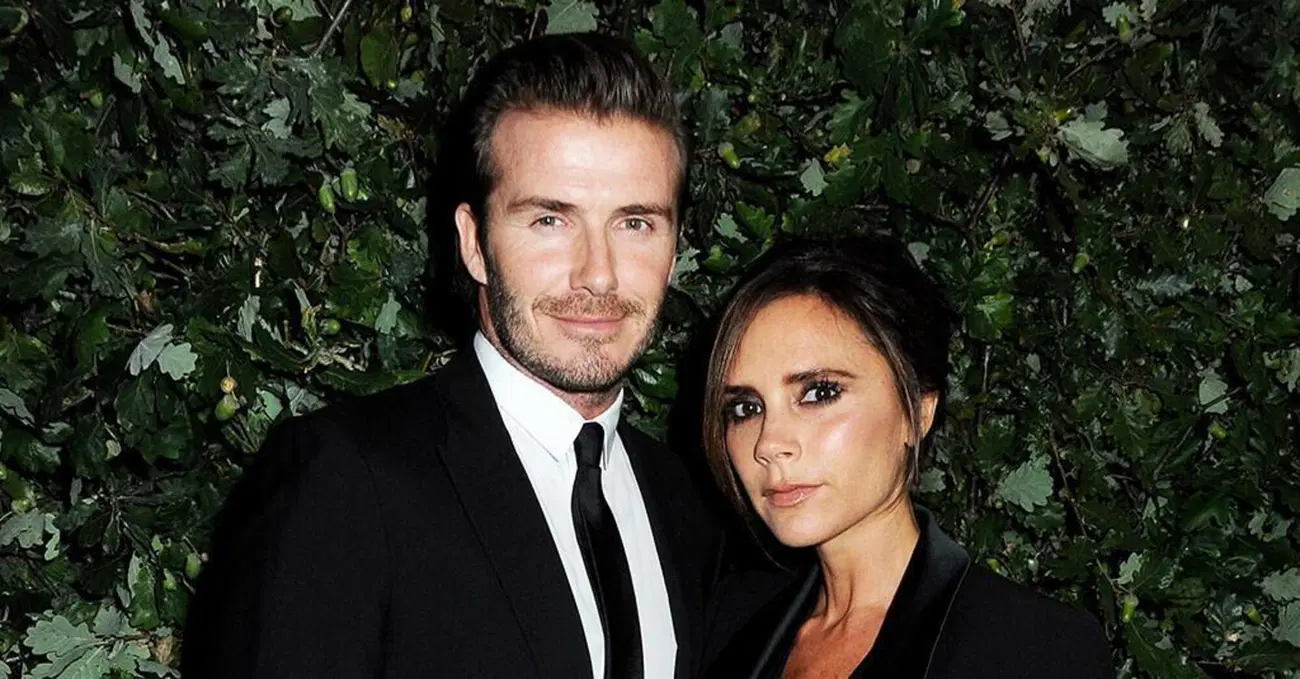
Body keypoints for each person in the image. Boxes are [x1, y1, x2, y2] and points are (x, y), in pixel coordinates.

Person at [183, 33, 726, 679]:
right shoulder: (345, 480)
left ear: (674, 247)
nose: (599, 274)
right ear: (474, 243)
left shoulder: (687, 502)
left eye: (635, 223)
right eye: (550, 220)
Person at [700, 236, 1115, 679]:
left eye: (819, 393)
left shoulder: (1035, 649)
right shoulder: (729, 620)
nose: (769, 443)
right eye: (745, 408)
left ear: (918, 412)